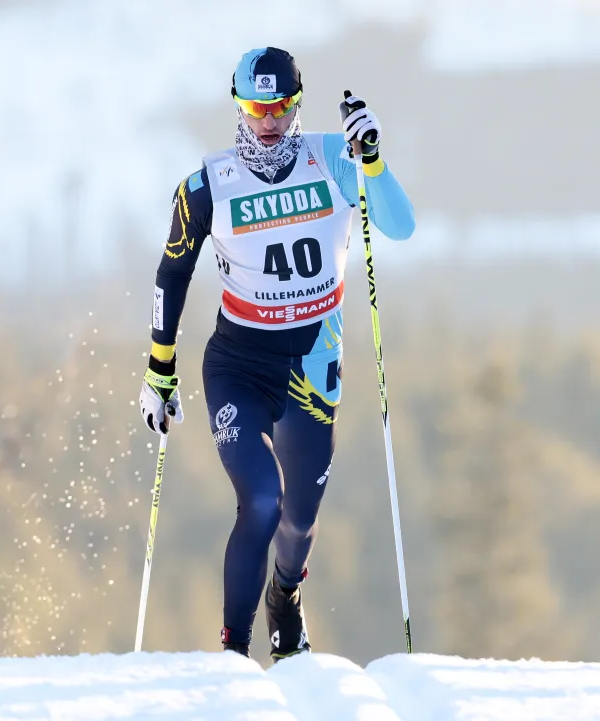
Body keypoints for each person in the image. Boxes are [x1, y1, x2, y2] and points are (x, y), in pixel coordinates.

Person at [137, 46, 415, 662]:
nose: (268, 121)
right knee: (260, 500)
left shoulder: (335, 160)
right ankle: (233, 656)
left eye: (281, 108)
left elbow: (400, 226)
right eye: (256, 107)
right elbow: (171, 273)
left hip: (314, 367)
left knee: (298, 518)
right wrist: (160, 370)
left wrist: (372, 161)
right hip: (239, 364)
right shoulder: (209, 184)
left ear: (297, 105)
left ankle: (284, 597)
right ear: (239, 105)